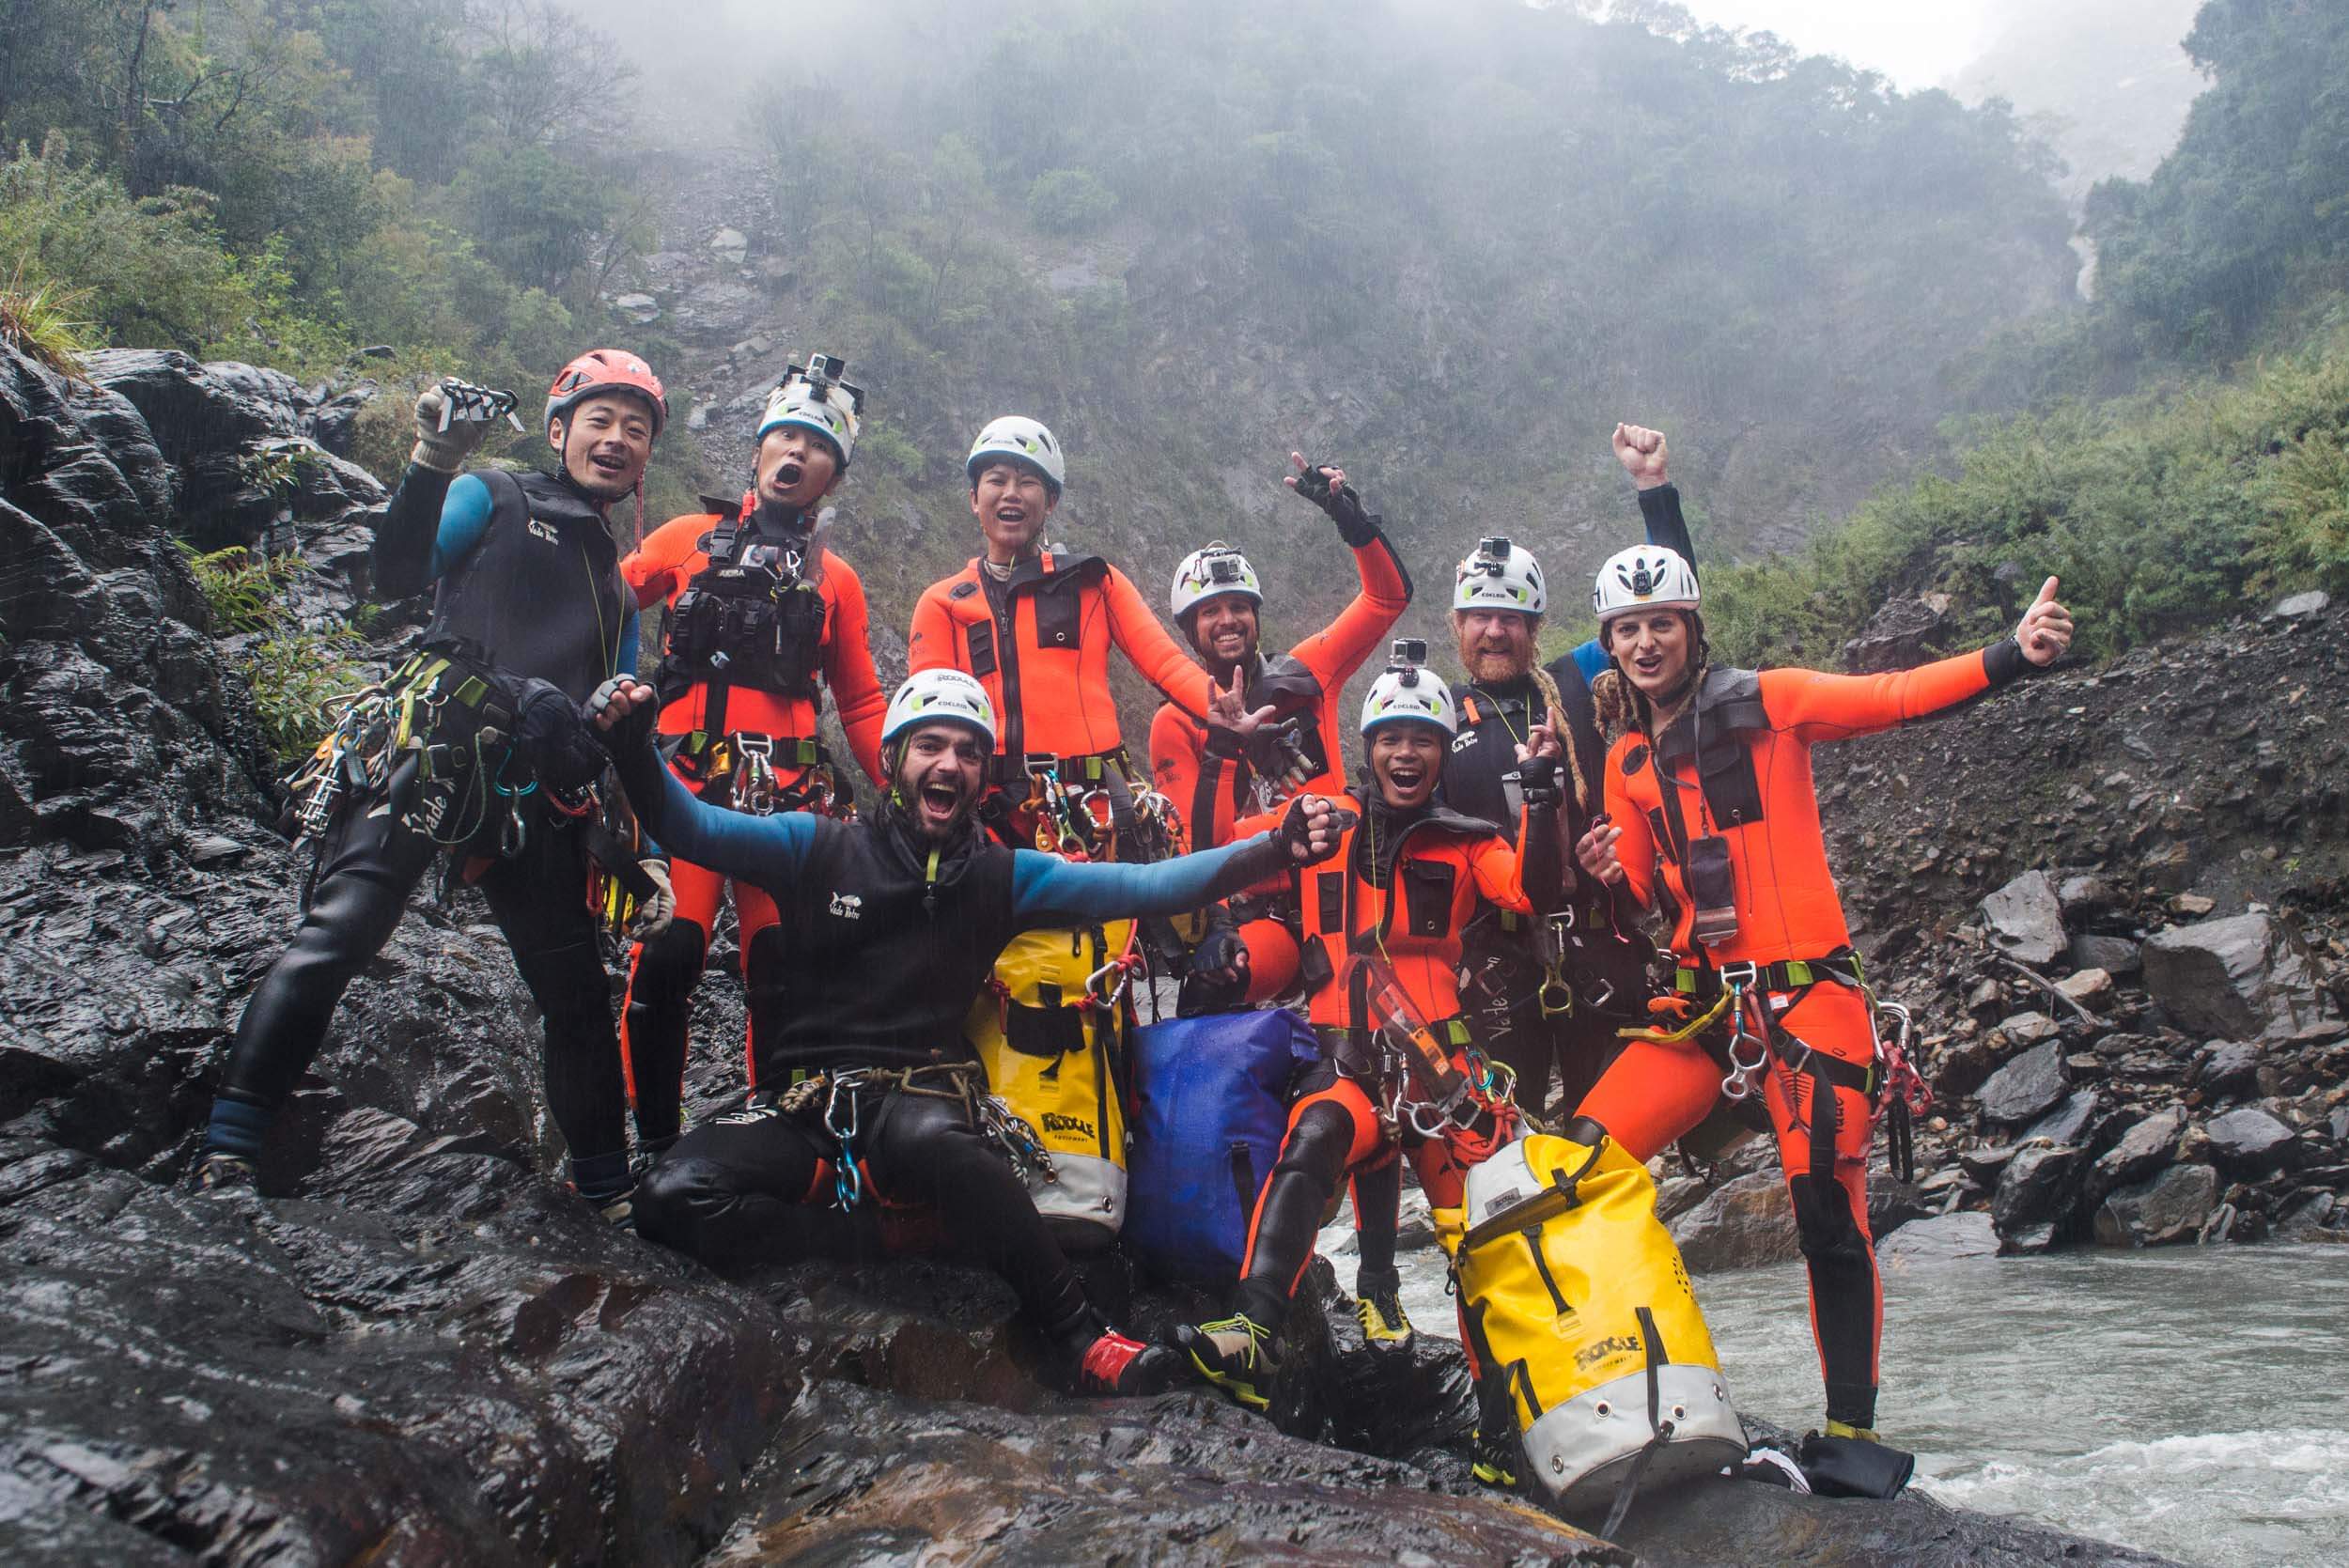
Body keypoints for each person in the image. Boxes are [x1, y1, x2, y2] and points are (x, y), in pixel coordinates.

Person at [587, 667, 1346, 1393]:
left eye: (967, 751)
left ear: (982, 777)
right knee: (672, 1196)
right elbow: (687, 825)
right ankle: (881, 1236)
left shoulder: (1001, 875)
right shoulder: (814, 846)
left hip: (918, 1101)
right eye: (929, 745)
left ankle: (1083, 1339)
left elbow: (1150, 885)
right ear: (892, 760)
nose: (948, 763)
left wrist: (1273, 847)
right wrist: (631, 749)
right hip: (803, 1106)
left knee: (947, 1149)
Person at [1573, 545, 2074, 1466]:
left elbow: (1890, 697)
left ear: (1691, 629)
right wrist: (1609, 872)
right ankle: (1609, 1397)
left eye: (1661, 624)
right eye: (1627, 630)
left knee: (1824, 1210)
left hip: (1808, 1002)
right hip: (1702, 1013)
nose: (1645, 643)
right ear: (1610, 644)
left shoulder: (1771, 701)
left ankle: (1850, 1433)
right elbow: (1640, 896)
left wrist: (2012, 654)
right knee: (1576, 1166)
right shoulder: (1626, 756)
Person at [196, 350, 674, 1220]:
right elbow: (396, 578)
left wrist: (621, 732)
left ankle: (606, 1187)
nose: (616, 441)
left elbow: (610, 709)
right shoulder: (493, 496)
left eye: (635, 431)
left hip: (531, 790)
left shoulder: (616, 587)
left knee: (575, 991)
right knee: (340, 931)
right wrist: (433, 460)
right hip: (436, 739)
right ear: (558, 430)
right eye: (599, 421)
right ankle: (228, 1144)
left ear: (646, 460)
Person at [1177, 645, 1564, 1413]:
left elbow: (1530, 892)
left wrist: (1546, 799)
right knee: (1314, 1133)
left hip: (1443, 1080)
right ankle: (1253, 1330)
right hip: (1347, 1067)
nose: (1406, 752)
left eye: (1423, 737)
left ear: (1442, 750)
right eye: (1391, 737)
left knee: (1481, 1232)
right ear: (1369, 748)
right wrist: (1224, 750)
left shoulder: (1469, 838)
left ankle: (1508, 1413)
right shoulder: (1320, 825)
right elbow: (1213, 846)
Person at [615, 355, 888, 1162]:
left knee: (782, 970)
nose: (797, 454)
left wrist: (906, 799)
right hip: (686, 786)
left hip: (789, 796)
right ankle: (654, 1146)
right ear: (762, 447)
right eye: (787, 437)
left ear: (831, 477)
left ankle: (780, 1140)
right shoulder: (683, 539)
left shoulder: (835, 579)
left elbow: (863, 703)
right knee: (669, 951)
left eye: (818, 446)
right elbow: (598, 603)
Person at [1441, 424, 1692, 1121]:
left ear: (1537, 625)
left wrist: (1653, 490)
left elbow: (1665, 605)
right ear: (1456, 623)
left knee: (1607, 1128)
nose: (1496, 632)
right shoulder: (1435, 717)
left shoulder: (1577, 678)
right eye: (1480, 617)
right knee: (1501, 1142)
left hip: (1595, 941)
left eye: (1513, 618)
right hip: (1496, 958)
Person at [907, 415, 1268, 855]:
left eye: (1028, 483)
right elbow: (925, 720)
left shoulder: (1095, 583)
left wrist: (1224, 711)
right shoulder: (943, 602)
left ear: (1051, 500)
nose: (1011, 494)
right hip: (988, 814)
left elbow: (1165, 664)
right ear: (973, 498)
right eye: (996, 480)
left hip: (1097, 811)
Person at [1153, 455, 1411, 1011]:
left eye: (1239, 607)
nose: (1227, 620)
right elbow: (1199, 852)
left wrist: (1349, 518)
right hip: (1262, 914)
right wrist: (1239, 755)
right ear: (1189, 630)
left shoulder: (1305, 674)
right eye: (1211, 611)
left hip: (1345, 892)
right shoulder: (1176, 722)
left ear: (1257, 616)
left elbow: (1387, 599)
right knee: (1210, 990)